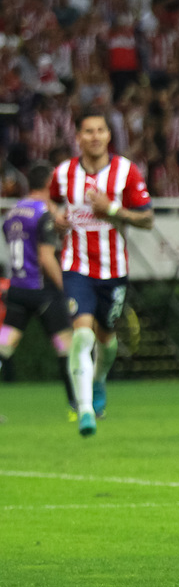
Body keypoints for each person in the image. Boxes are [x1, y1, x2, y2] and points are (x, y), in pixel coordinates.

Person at [50, 108, 155, 436]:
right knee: (82, 335)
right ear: (78, 137)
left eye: (100, 130)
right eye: (88, 131)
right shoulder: (64, 173)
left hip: (113, 270)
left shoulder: (126, 171)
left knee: (106, 339)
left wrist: (112, 209)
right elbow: (52, 201)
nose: (94, 136)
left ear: (109, 135)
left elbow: (147, 219)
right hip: (76, 266)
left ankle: (98, 380)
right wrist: (57, 218)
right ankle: (84, 410)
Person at [0, 162, 76, 414]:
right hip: (43, 291)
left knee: (4, 347)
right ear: (47, 183)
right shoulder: (43, 214)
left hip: (18, 290)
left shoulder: (12, 212)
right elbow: (45, 257)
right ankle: (77, 405)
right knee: (66, 347)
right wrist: (67, 287)